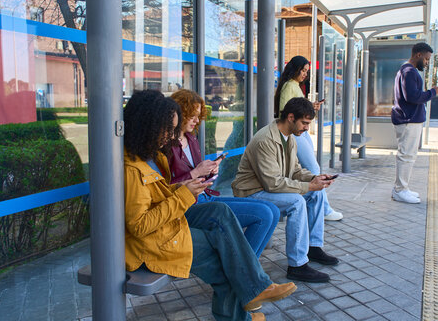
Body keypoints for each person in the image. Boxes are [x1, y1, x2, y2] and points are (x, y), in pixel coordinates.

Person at [123, 90, 296, 321]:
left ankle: (255, 289)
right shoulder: (133, 169)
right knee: (226, 259)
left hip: (171, 224)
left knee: (221, 212)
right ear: (147, 124)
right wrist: (184, 193)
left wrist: (184, 187)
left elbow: (159, 195)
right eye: (166, 129)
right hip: (154, 242)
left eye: (173, 129)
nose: (169, 136)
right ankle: (249, 298)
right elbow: (139, 225)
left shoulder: (152, 156)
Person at [232, 97, 339, 283]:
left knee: (317, 192)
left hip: (267, 188)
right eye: (304, 123)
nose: (307, 128)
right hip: (251, 193)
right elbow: (272, 183)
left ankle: (313, 247)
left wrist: (314, 179)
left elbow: (295, 170)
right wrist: (307, 186)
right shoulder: (265, 139)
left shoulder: (289, 137)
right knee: (296, 202)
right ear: (291, 117)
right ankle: (297, 265)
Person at [166, 89, 280, 258]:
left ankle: (247, 270)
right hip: (187, 205)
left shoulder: (191, 138)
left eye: (199, 115)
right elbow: (165, 187)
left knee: (273, 210)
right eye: (193, 116)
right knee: (263, 214)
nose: (197, 120)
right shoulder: (167, 144)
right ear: (180, 114)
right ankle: (243, 272)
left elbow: (198, 175)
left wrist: (210, 171)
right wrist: (197, 171)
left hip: (204, 197)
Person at [274, 55, 343, 221]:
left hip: (299, 132)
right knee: (313, 168)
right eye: (303, 70)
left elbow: (295, 109)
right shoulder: (290, 86)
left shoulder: (294, 86)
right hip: (295, 133)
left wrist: (310, 107)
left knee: (311, 168)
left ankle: (320, 207)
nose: (305, 74)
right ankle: (324, 209)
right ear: (295, 68)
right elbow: (288, 111)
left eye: (307, 71)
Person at [391, 42, 438, 204]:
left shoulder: (405, 70)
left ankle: (402, 188)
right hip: (409, 119)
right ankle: (400, 190)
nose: (426, 63)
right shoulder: (409, 72)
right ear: (418, 55)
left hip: (409, 119)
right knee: (406, 155)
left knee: (408, 155)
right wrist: (432, 92)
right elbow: (412, 97)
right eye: (426, 59)